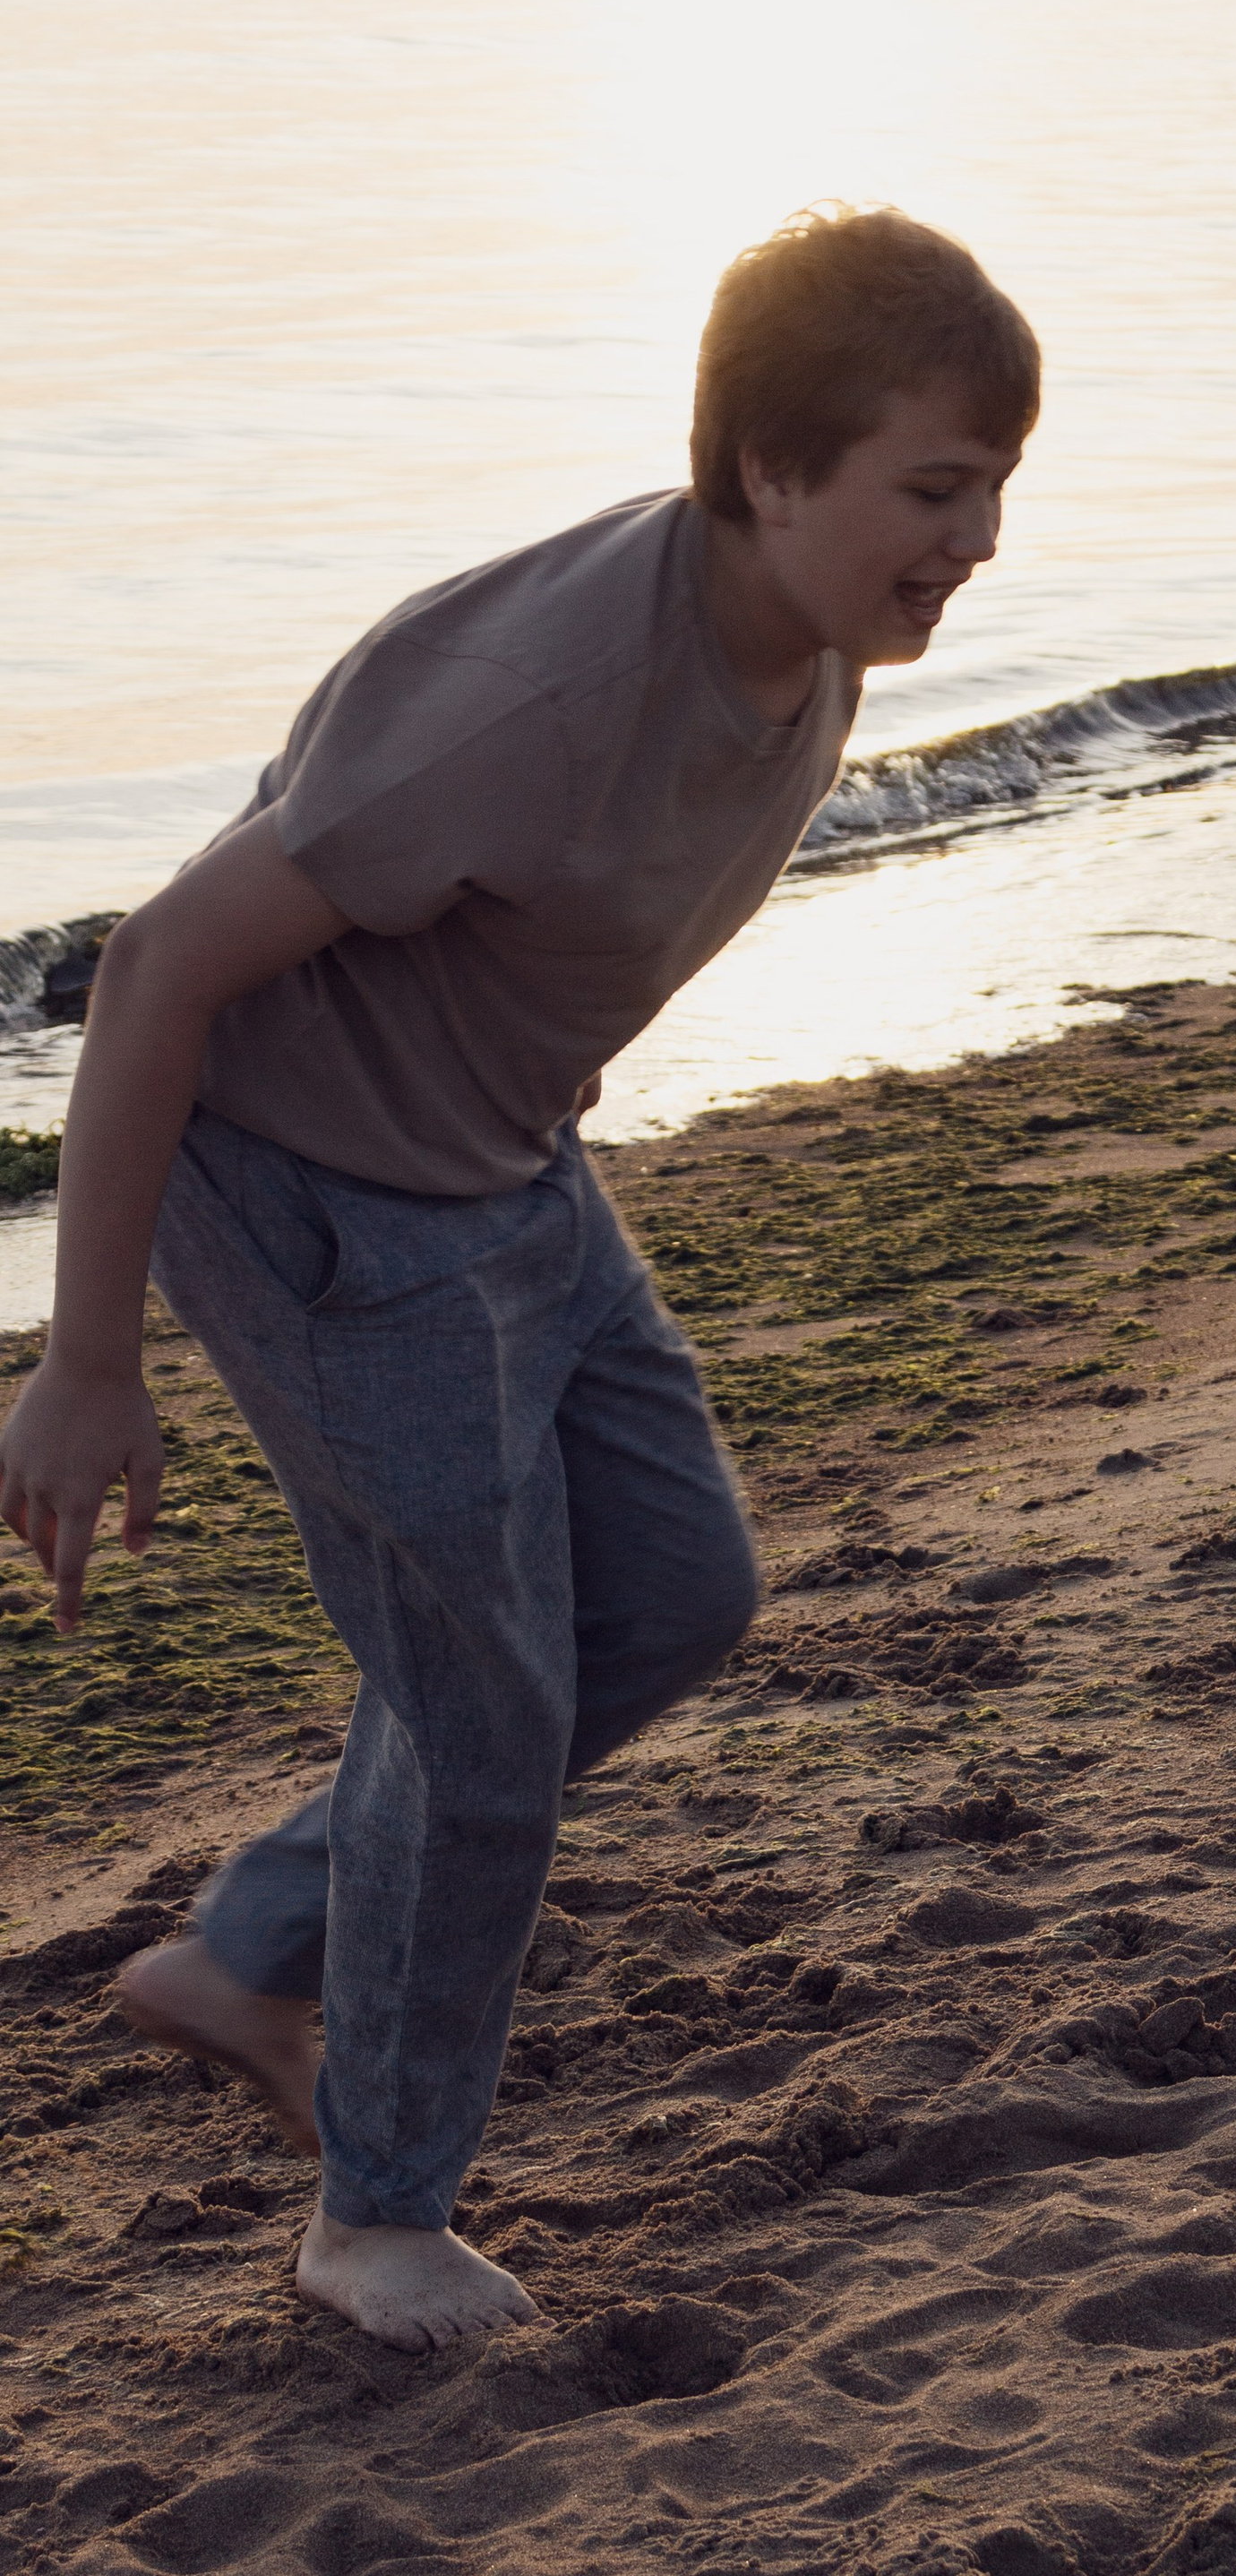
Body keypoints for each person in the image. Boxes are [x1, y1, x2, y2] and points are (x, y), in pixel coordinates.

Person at [0, 205, 1038, 2352]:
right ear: (769, 470)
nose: (979, 542)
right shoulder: (529, 695)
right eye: (935, 492)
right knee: (481, 1715)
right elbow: (156, 970)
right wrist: (85, 1364)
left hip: (510, 1173)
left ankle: (251, 1948)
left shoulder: (819, 626)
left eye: (994, 489)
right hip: (309, 1206)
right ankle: (376, 2219)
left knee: (672, 1600)